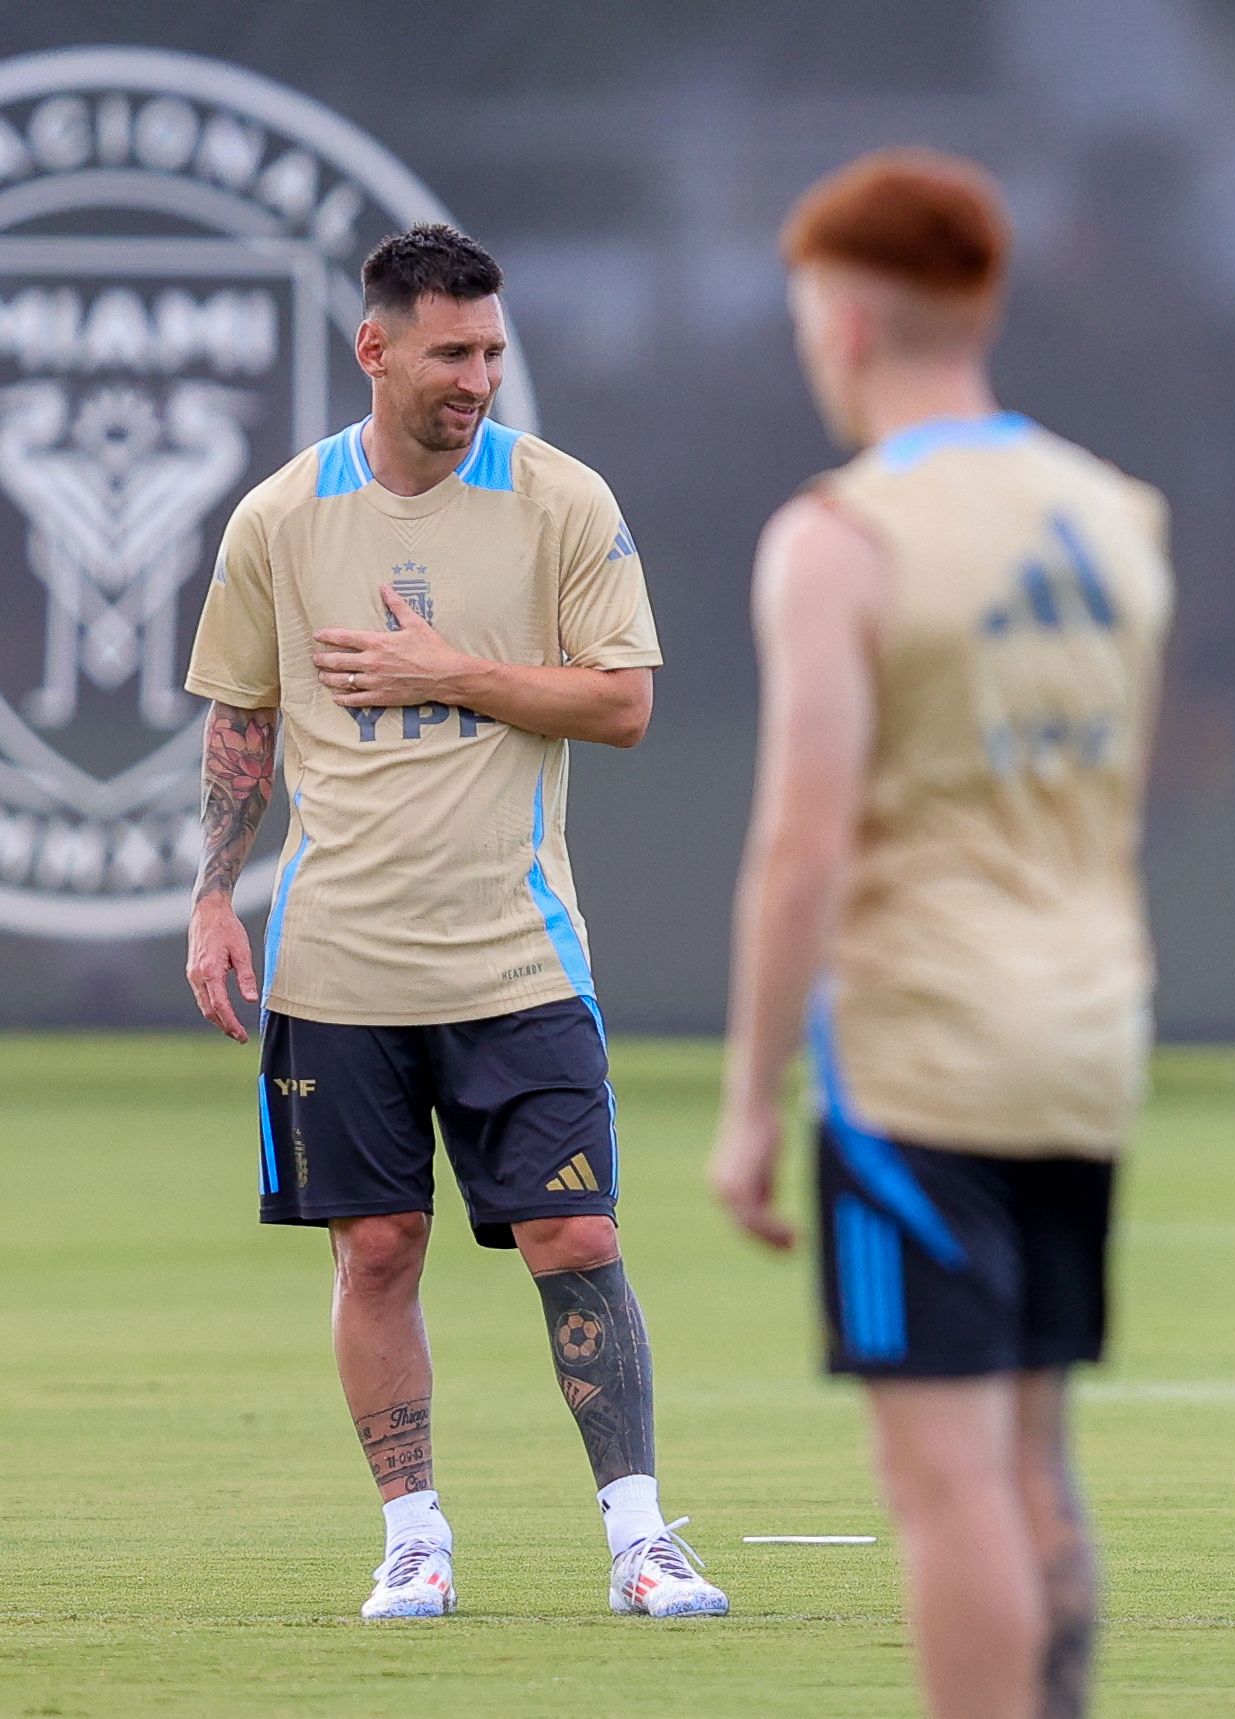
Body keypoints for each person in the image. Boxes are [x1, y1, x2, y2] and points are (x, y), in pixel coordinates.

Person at [181, 223, 725, 1620]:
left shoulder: (562, 504)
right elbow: (242, 717)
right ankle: (413, 1541)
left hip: (515, 955)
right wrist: (210, 900)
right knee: (376, 1251)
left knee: (579, 1242)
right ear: (376, 350)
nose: (480, 376)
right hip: (338, 961)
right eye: (451, 352)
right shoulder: (281, 521)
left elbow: (624, 706)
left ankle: (641, 1540)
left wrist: (451, 670)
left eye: (492, 349)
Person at [706, 150, 1171, 1719]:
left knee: (944, 1477)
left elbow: (801, 846)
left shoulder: (844, 535)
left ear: (840, 318)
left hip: (923, 1053)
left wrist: (749, 1099)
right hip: (1089, 1036)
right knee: (1034, 1448)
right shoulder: (1118, 518)